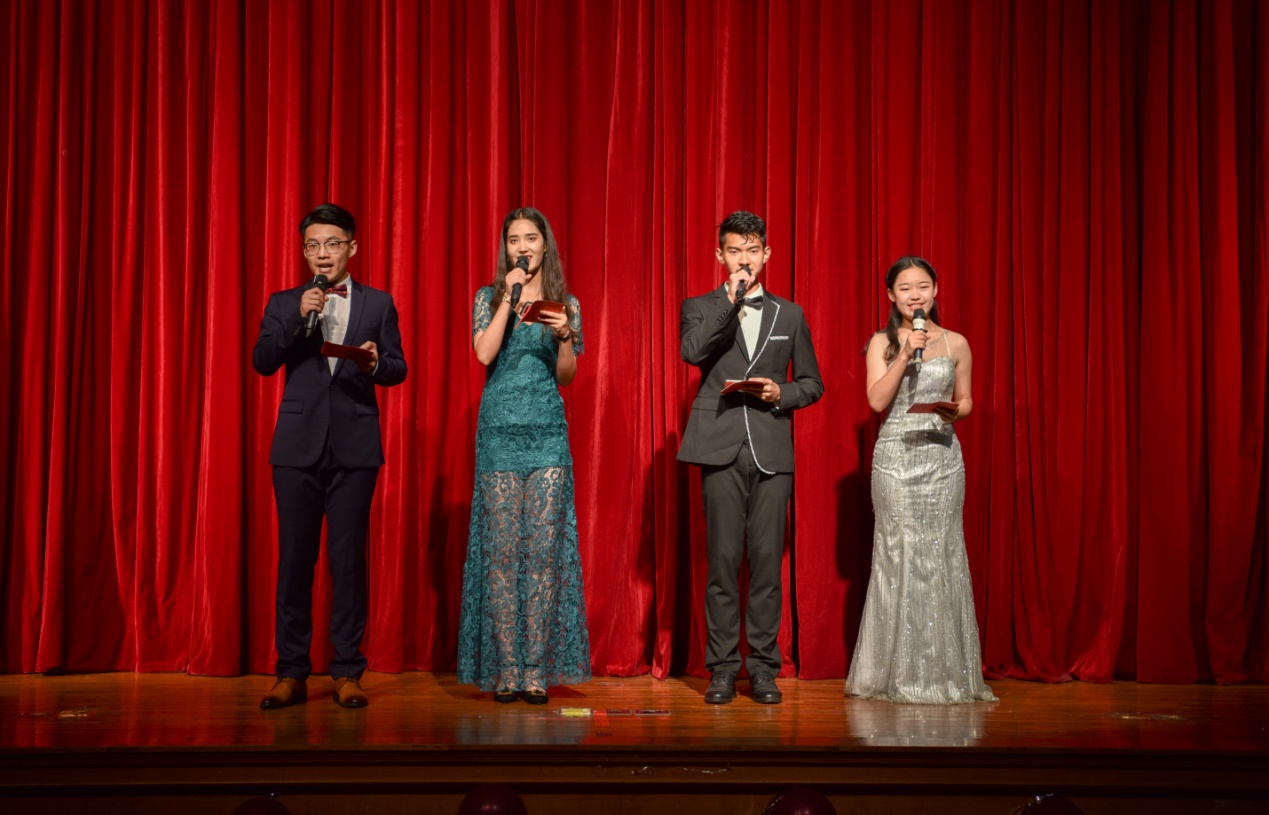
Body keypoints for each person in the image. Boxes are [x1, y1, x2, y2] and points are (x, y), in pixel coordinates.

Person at [252, 203, 408, 709]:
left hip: (355, 448)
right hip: (296, 449)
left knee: (348, 563)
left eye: (333, 244)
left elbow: (398, 368)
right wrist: (298, 318)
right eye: (313, 245)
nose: (323, 253)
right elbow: (262, 361)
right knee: (295, 562)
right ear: (304, 252)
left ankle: (346, 671)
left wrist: (375, 363)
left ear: (352, 247)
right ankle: (291, 672)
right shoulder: (284, 302)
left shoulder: (379, 303)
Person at [678, 211, 824, 705]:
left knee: (765, 564)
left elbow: (813, 383)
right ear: (720, 255)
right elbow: (693, 352)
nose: (744, 259)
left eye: (753, 250)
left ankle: (763, 668)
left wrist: (780, 392)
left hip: (771, 448)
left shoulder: (790, 314)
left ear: (767, 254)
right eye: (735, 250)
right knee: (722, 563)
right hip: (718, 445)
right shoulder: (699, 306)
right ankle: (722, 669)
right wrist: (731, 302)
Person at [844, 256, 996, 704]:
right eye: (906, 288)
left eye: (923, 286)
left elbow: (966, 400)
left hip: (942, 457)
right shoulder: (882, 342)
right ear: (891, 296)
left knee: (941, 553)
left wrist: (955, 411)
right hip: (896, 458)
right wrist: (905, 352)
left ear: (935, 291)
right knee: (899, 554)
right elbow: (876, 401)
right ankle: (893, 672)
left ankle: (943, 672)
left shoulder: (956, 343)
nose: (916, 295)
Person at [457, 206, 591, 705]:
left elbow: (567, 377)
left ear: (544, 245)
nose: (522, 247)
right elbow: (484, 354)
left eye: (531, 238)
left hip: (548, 433)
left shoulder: (566, 304)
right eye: (514, 239)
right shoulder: (487, 297)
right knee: (502, 554)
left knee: (541, 555)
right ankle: (507, 668)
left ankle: (535, 669)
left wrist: (565, 337)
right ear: (506, 248)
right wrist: (507, 302)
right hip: (499, 433)